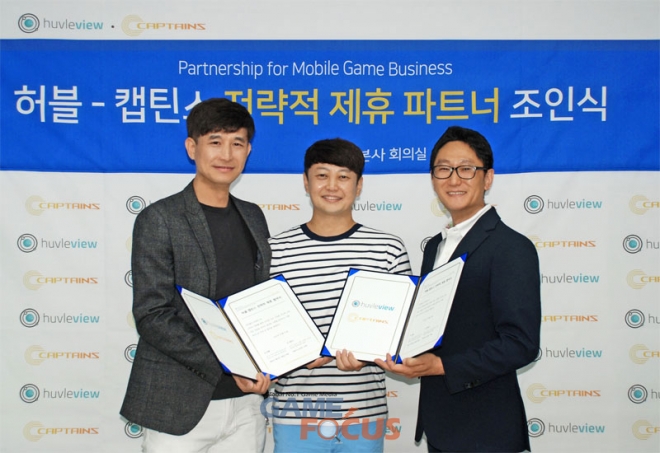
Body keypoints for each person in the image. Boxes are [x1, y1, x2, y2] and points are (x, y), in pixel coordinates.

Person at [120, 98, 272, 452]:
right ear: (192, 147)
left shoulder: (253, 216)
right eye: (215, 141)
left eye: (237, 143)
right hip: (177, 402)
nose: (227, 154)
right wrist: (228, 363)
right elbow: (152, 314)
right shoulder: (160, 219)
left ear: (248, 151)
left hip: (247, 403)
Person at [377, 126, 541, 452]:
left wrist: (441, 366)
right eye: (443, 169)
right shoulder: (435, 247)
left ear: (488, 178)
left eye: (466, 169)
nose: (454, 179)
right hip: (441, 424)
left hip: (487, 429)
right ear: (433, 178)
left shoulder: (511, 247)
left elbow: (521, 344)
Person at [268, 138, 411, 452]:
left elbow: (403, 333)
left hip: (363, 414)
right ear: (305, 182)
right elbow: (264, 332)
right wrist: (292, 355)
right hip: (296, 416)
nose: (332, 186)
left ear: (359, 186)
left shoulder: (387, 249)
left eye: (343, 176)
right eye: (322, 175)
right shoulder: (275, 250)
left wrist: (366, 355)